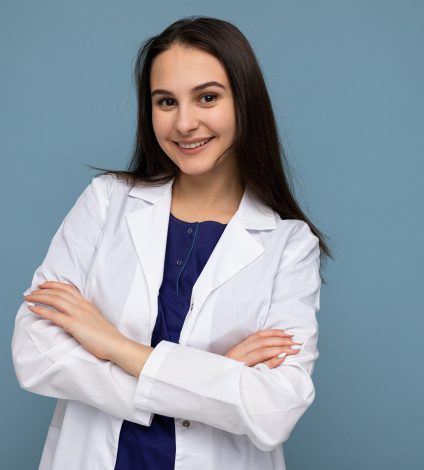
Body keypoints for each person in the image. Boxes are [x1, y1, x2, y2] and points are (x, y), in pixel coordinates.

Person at [11, 16, 331, 470]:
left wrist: (113, 345)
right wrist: (212, 378)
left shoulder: (289, 244)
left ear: (245, 102)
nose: (184, 123)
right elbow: (35, 351)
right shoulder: (107, 202)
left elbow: (275, 408)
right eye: (166, 101)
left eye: (207, 97)